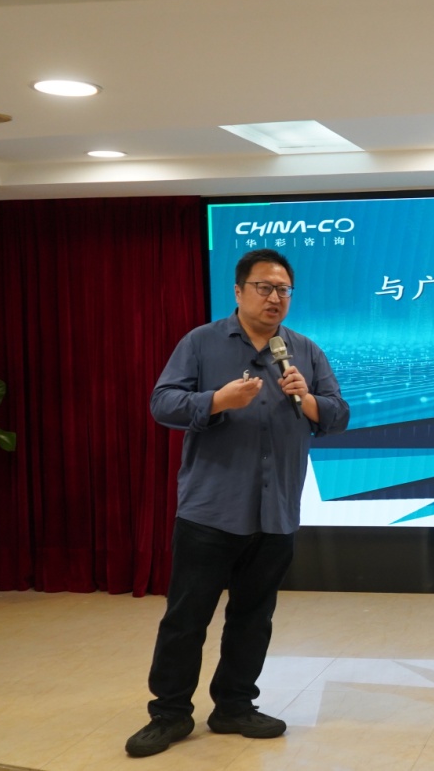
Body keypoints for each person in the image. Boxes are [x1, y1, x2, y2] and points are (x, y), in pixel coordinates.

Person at [126, 249, 349, 758]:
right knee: (187, 618)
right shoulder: (201, 342)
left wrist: (307, 400)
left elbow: (338, 414)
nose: (275, 298)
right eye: (264, 288)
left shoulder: (304, 351)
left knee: (253, 618)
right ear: (239, 291)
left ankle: (234, 705)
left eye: (283, 290)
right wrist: (217, 401)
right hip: (211, 510)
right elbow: (162, 403)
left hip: (276, 512)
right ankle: (169, 713)